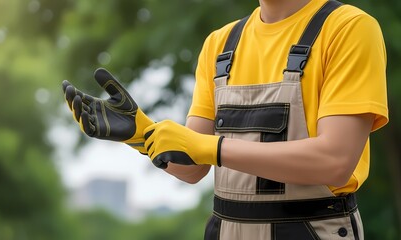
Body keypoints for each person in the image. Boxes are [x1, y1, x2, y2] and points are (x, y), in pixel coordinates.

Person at [63, 0, 388, 239]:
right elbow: (192, 168)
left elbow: (335, 160)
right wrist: (141, 136)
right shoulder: (220, 45)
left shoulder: (348, 28)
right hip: (225, 230)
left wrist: (213, 148)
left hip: (310, 230)